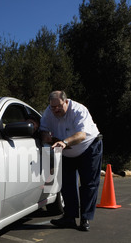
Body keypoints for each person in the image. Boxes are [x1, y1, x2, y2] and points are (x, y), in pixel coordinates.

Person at [40, 90, 103, 231]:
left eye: (59, 106)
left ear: (66, 102)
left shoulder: (79, 110)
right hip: (66, 151)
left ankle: (85, 218)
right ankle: (69, 217)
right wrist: (46, 137)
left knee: (89, 184)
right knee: (67, 185)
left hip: (89, 147)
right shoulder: (48, 112)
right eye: (53, 107)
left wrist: (65, 142)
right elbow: (43, 129)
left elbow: (81, 135)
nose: (56, 110)